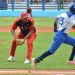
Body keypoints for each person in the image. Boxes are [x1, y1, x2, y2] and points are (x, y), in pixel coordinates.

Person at [32, 3, 75, 68]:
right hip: (60, 36)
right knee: (51, 51)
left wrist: (55, 29)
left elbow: (56, 18)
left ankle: (70, 60)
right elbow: (74, 26)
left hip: (63, 35)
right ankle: (36, 60)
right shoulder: (71, 16)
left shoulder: (64, 13)